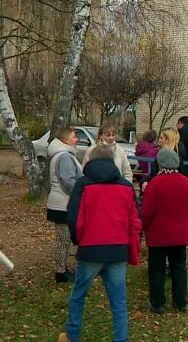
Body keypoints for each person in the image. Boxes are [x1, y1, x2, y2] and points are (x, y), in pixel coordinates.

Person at [59, 146, 141, 342]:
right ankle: (121, 339)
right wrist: (132, 248)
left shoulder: (83, 185)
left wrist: (78, 240)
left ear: (90, 160)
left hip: (90, 249)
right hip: (117, 249)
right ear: (112, 160)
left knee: (78, 295)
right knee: (119, 302)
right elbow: (134, 220)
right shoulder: (126, 187)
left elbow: (73, 215)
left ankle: (72, 335)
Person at [141, 148, 188, 314]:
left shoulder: (155, 184)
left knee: (157, 269)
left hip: (158, 236)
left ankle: (157, 303)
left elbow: (147, 211)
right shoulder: (186, 182)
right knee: (179, 268)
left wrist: (143, 227)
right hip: (180, 235)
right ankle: (180, 302)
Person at [46, 127, 83, 284]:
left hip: (60, 202)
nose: (77, 140)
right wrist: (81, 193)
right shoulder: (65, 157)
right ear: (65, 139)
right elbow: (69, 182)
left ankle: (62, 269)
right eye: (74, 137)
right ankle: (60, 272)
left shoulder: (61, 155)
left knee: (64, 238)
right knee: (63, 239)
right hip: (63, 204)